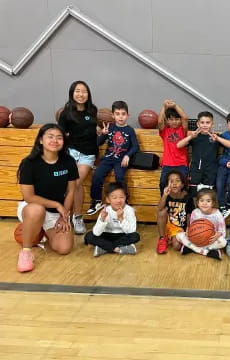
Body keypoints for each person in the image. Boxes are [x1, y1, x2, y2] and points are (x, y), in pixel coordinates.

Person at [16, 123, 79, 272]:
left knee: (64, 248)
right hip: (32, 208)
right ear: (41, 140)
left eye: (59, 138)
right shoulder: (29, 163)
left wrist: (64, 216)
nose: (55, 141)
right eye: (50, 137)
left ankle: (41, 232)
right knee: (37, 210)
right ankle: (26, 252)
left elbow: (71, 191)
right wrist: (57, 205)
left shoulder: (68, 162)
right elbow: (29, 196)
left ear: (63, 142)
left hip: (55, 213)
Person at [58, 80, 98, 235]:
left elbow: (94, 130)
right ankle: (77, 216)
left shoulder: (93, 110)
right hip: (72, 152)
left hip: (88, 154)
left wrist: (100, 132)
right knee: (76, 184)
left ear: (88, 94)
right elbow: (61, 135)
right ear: (72, 93)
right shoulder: (66, 113)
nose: (81, 94)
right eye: (77, 91)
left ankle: (67, 215)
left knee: (75, 182)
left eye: (84, 91)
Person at [86, 101, 139, 215]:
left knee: (120, 177)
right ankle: (96, 201)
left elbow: (135, 146)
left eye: (123, 114)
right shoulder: (109, 127)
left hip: (121, 159)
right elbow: (98, 143)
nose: (120, 116)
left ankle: (125, 202)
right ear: (113, 116)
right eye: (118, 114)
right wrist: (103, 134)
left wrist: (127, 155)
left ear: (127, 115)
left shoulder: (130, 130)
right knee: (97, 175)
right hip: (108, 158)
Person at [176, 111, 230, 196]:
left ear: (212, 124)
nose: (205, 125)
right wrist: (190, 137)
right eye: (202, 122)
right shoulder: (194, 136)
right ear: (198, 124)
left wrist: (217, 138)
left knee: (208, 195)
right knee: (194, 195)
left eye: (208, 122)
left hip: (211, 171)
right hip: (195, 170)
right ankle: (195, 210)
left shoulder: (215, 136)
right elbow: (178, 145)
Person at [84, 182, 140, 256]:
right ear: (108, 199)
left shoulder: (129, 210)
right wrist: (102, 219)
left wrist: (121, 218)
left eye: (121, 197)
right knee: (89, 236)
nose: (118, 200)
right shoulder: (106, 210)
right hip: (107, 235)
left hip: (122, 235)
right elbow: (96, 233)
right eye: (114, 198)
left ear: (125, 197)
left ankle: (104, 248)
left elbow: (131, 231)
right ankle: (118, 249)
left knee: (135, 236)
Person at [176, 189, 227, 260]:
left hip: (210, 240)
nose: (204, 203)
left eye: (208, 201)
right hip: (196, 239)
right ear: (197, 202)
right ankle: (207, 251)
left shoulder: (218, 214)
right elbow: (192, 227)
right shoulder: (195, 212)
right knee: (179, 235)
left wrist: (217, 235)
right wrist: (189, 231)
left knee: (223, 242)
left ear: (213, 203)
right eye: (202, 200)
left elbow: (222, 231)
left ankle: (192, 248)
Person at [156, 170, 195, 254]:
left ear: (182, 184)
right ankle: (162, 238)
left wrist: (189, 230)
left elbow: (189, 215)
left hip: (180, 228)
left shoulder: (188, 198)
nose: (174, 183)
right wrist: (165, 195)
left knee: (176, 246)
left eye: (177, 181)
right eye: (171, 181)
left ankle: (171, 239)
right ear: (167, 184)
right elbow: (159, 209)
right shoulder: (167, 195)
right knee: (162, 212)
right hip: (169, 225)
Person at [158, 99, 189, 193]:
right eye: (171, 119)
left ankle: (182, 206)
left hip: (181, 164)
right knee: (163, 183)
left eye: (176, 119)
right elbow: (159, 122)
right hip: (167, 164)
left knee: (183, 186)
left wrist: (175, 106)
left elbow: (185, 118)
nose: (174, 122)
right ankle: (165, 203)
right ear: (167, 120)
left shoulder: (182, 130)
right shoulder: (165, 131)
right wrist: (164, 107)